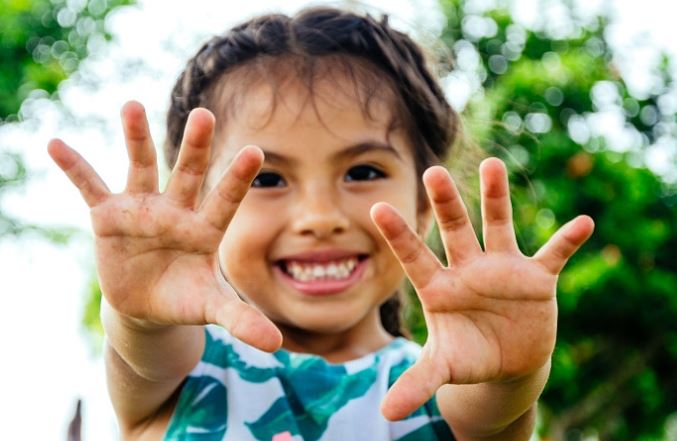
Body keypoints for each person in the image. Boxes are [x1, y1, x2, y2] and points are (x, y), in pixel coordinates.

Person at [47, 6, 594, 441]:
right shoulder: (184, 372)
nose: (320, 218)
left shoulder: (443, 386)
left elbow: (491, 415)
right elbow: (144, 355)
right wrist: (138, 315)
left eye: (362, 171)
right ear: (195, 212)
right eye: (266, 179)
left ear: (424, 207)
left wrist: (509, 376)